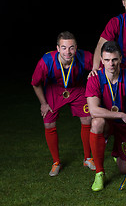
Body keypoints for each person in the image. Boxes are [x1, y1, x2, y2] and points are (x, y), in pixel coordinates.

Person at [31, 31, 95, 176]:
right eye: (64, 48)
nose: (68, 52)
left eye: (71, 47)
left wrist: (94, 73)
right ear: (58, 48)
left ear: (76, 48)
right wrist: (43, 103)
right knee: (48, 123)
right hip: (54, 90)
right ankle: (56, 162)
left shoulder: (83, 56)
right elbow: (35, 83)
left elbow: (99, 64)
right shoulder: (46, 61)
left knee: (87, 119)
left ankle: (87, 158)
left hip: (77, 88)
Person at [86, 41, 126, 192]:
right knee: (97, 122)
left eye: (114, 59)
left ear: (121, 58)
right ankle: (99, 173)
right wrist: (121, 114)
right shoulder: (94, 78)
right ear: (101, 60)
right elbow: (93, 111)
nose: (110, 64)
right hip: (108, 122)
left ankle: (116, 152)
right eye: (106, 60)